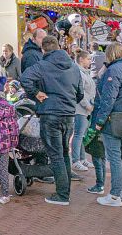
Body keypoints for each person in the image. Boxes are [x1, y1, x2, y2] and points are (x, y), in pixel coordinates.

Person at [19, 36, 83, 206]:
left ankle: (62, 195)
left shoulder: (43, 65)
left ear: (43, 49)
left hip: (50, 114)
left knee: (55, 155)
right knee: (63, 153)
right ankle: (65, 190)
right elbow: (80, 93)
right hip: (68, 115)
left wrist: (36, 93)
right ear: (59, 46)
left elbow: (25, 78)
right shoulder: (73, 67)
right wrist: (69, 102)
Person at [91, 42, 122, 207]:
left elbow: (108, 99)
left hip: (113, 120)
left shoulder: (114, 71)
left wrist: (99, 121)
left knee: (115, 157)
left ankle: (115, 195)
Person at [71, 50, 96, 173]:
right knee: (78, 134)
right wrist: (87, 105)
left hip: (86, 109)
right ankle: (76, 160)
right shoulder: (79, 73)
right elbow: (79, 91)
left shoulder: (85, 72)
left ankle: (82, 158)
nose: (90, 61)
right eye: (88, 59)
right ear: (81, 59)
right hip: (80, 109)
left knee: (82, 134)